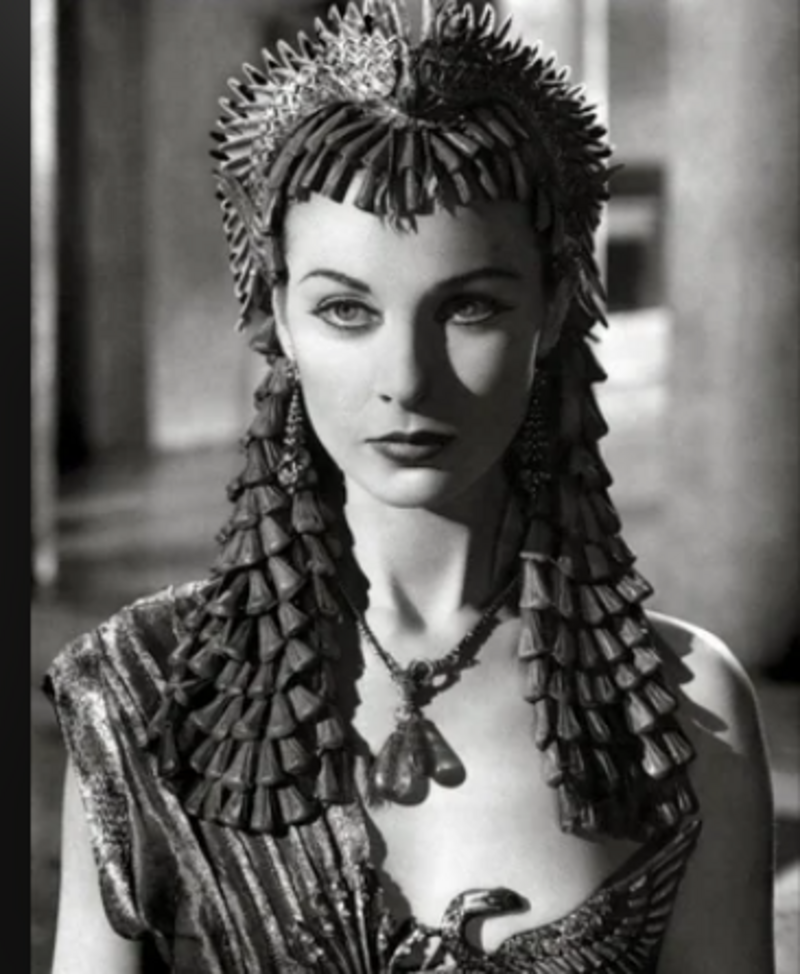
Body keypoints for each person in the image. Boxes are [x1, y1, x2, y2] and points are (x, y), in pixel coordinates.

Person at [44, 2, 775, 971]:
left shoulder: (684, 713)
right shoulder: (144, 689)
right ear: (277, 319)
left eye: (467, 306)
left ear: (553, 306)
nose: (408, 378)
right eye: (347, 309)